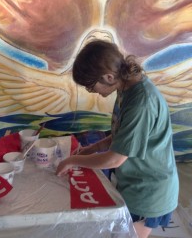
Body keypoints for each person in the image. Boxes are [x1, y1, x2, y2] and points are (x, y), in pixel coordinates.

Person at [56, 40, 179, 238]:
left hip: (149, 191)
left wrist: (72, 160)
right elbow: (122, 134)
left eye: (91, 86)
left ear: (108, 77)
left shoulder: (141, 102)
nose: (92, 91)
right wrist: (91, 149)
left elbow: (115, 158)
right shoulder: (126, 88)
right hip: (135, 183)